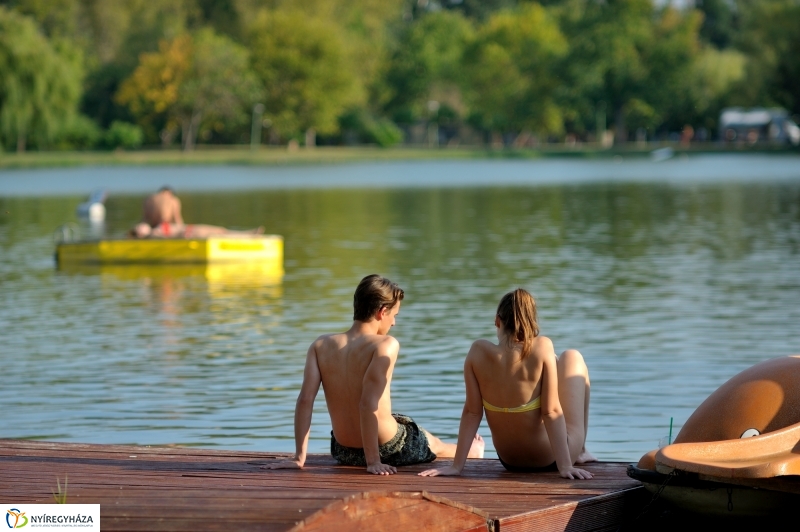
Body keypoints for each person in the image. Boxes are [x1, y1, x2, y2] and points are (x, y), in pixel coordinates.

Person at [263, 274, 484, 475]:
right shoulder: (385, 345)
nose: (394, 322)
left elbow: (305, 400)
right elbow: (367, 405)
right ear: (382, 312)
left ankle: (463, 449)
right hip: (386, 448)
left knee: (399, 420)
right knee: (430, 442)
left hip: (342, 450)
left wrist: (299, 457)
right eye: (394, 315)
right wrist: (373, 461)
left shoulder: (320, 345)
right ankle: (471, 453)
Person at [419, 288, 595, 479]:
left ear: (497, 320)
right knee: (571, 357)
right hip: (549, 458)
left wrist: (456, 466)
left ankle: (579, 452)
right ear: (531, 322)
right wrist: (565, 466)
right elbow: (550, 411)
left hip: (509, 460)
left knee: (554, 361)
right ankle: (581, 451)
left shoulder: (477, 352)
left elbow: (472, 412)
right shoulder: (542, 346)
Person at [129, 222, 264, 238]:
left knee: (221, 231)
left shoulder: (155, 228)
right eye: (138, 227)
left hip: (191, 229)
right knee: (220, 234)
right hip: (190, 232)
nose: (140, 225)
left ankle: (248, 233)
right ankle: (249, 235)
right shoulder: (154, 232)